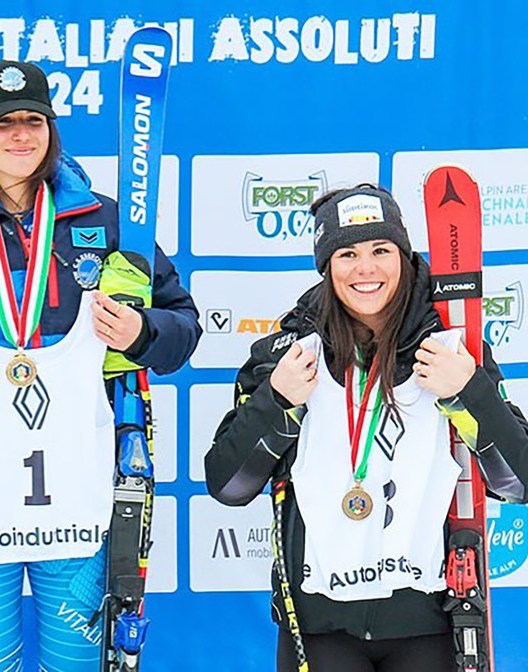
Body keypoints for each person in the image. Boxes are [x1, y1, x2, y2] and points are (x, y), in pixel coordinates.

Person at [0, 60, 200, 670]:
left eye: (33, 120)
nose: (20, 135)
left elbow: (182, 331)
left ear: (51, 129)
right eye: (3, 124)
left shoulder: (108, 222)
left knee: (75, 665)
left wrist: (141, 329)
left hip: (78, 488)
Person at [204, 183, 528, 671]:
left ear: (403, 254)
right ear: (326, 265)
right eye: (347, 254)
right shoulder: (289, 354)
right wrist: (277, 401)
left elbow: (518, 481)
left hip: (429, 622)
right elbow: (228, 485)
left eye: (381, 250)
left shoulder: (450, 350)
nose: (366, 269)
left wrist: (470, 392)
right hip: (319, 625)